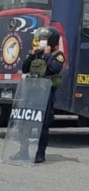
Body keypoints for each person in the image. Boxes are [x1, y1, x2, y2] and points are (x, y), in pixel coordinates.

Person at [16, 26, 65, 164]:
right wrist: (32, 54)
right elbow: (25, 68)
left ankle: (40, 154)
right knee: (24, 124)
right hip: (31, 94)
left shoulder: (57, 55)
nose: (42, 41)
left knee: (42, 126)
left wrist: (48, 55)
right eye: (41, 38)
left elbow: (54, 68)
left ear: (51, 41)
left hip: (45, 96)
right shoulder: (35, 54)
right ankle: (23, 152)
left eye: (45, 39)